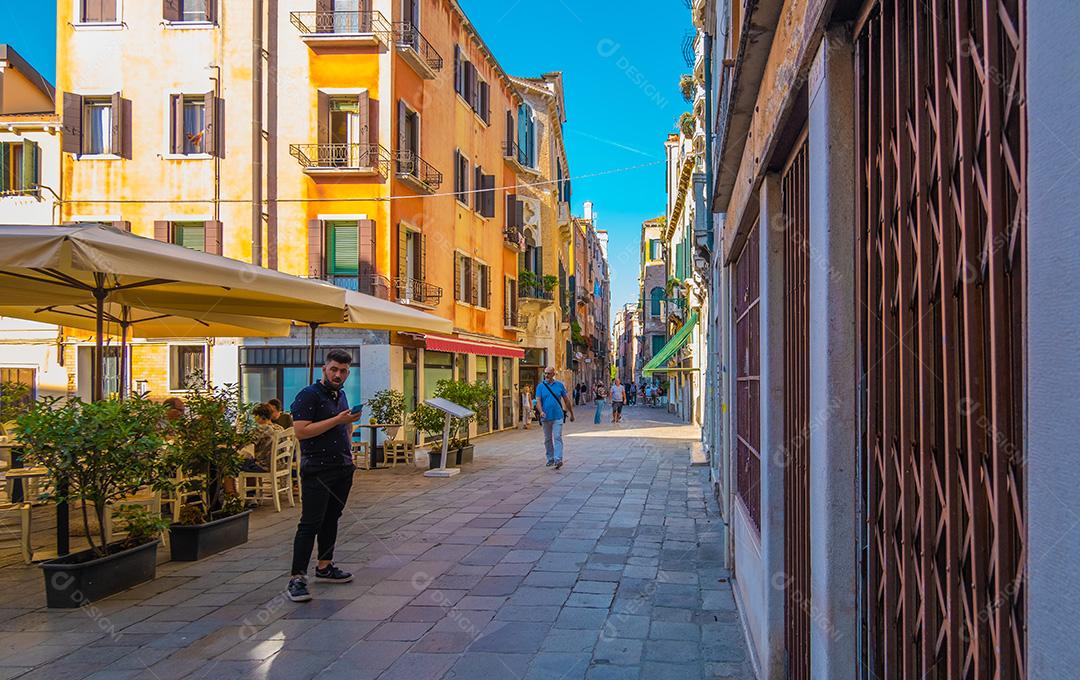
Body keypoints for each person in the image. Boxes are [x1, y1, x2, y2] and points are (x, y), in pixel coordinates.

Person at [286, 349, 365, 603]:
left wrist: (348, 436)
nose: (338, 375)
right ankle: (297, 578)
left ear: (348, 373)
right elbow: (301, 431)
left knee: (332, 518)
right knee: (310, 523)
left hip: (342, 467)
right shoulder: (308, 395)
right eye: (334, 369)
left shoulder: (340, 395)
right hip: (317, 469)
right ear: (324, 369)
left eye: (343, 371)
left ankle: (325, 565)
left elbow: (345, 425)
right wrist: (337, 420)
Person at [536, 366, 574, 470]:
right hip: (545, 416)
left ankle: (558, 459)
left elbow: (566, 400)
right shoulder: (540, 386)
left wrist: (571, 413)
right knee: (547, 439)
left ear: (553, 374)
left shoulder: (559, 385)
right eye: (545, 373)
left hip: (558, 416)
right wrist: (541, 411)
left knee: (557, 437)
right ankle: (550, 458)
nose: (546, 375)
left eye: (548, 373)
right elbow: (538, 401)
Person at [242, 404, 284, 473]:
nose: (254, 419)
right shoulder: (279, 428)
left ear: (261, 416)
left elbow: (245, 442)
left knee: (234, 463)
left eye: (255, 416)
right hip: (279, 465)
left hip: (264, 466)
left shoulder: (260, 429)